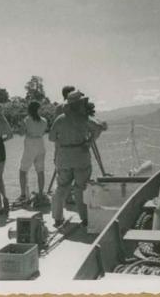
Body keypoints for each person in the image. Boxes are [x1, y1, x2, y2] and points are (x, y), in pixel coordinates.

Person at [49, 90, 107, 228]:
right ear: (80, 103)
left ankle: (57, 218)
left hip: (63, 156)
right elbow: (99, 127)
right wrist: (90, 140)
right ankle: (84, 218)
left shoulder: (60, 119)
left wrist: (63, 140)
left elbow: (51, 138)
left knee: (61, 187)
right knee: (81, 188)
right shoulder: (84, 118)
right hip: (80, 155)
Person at [17, 101, 49, 205]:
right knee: (40, 170)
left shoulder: (26, 120)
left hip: (30, 144)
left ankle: (23, 194)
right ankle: (40, 193)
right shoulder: (44, 121)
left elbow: (21, 133)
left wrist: (21, 126)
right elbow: (43, 132)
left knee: (23, 170)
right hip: (40, 143)